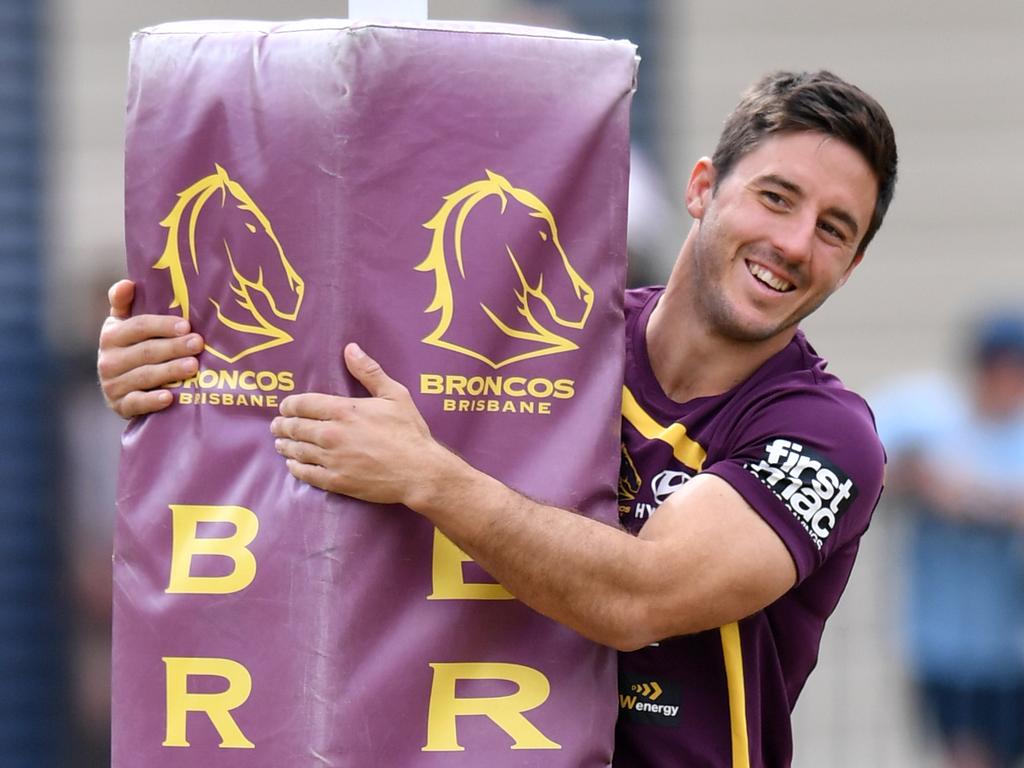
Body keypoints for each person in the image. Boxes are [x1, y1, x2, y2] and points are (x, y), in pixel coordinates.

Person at [98, 70, 898, 767]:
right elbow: (325, 412)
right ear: (702, 188)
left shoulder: (826, 436)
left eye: (833, 230)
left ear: (853, 264)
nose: (793, 242)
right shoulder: (547, 344)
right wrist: (175, 373)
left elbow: (639, 600)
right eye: (775, 197)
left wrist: (428, 477)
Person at [872, 314, 1024, 768]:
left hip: (1011, 643)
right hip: (942, 642)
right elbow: (865, 466)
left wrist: (974, 499)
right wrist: (915, 477)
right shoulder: (928, 415)